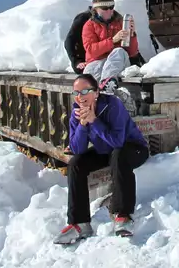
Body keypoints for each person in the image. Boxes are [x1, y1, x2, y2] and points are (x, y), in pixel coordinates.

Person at [54, 74, 149, 244]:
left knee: (118, 155)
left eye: (84, 91)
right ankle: (80, 222)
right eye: (76, 92)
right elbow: (77, 149)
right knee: (76, 164)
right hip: (106, 151)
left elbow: (118, 141)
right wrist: (83, 125)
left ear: (96, 92)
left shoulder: (113, 105)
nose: (79, 97)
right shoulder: (77, 110)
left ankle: (122, 215)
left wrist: (94, 121)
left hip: (133, 149)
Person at [82, 0, 138, 83]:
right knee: (90, 71)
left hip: (118, 63)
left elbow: (132, 53)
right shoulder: (89, 25)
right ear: (96, 8)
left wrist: (132, 35)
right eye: (105, 8)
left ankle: (107, 84)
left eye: (111, 7)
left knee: (118, 51)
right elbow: (91, 50)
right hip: (98, 62)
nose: (109, 10)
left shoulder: (120, 22)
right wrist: (112, 41)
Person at [64, 7, 92, 72]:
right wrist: (76, 62)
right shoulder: (83, 18)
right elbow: (69, 41)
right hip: (85, 61)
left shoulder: (112, 18)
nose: (108, 10)